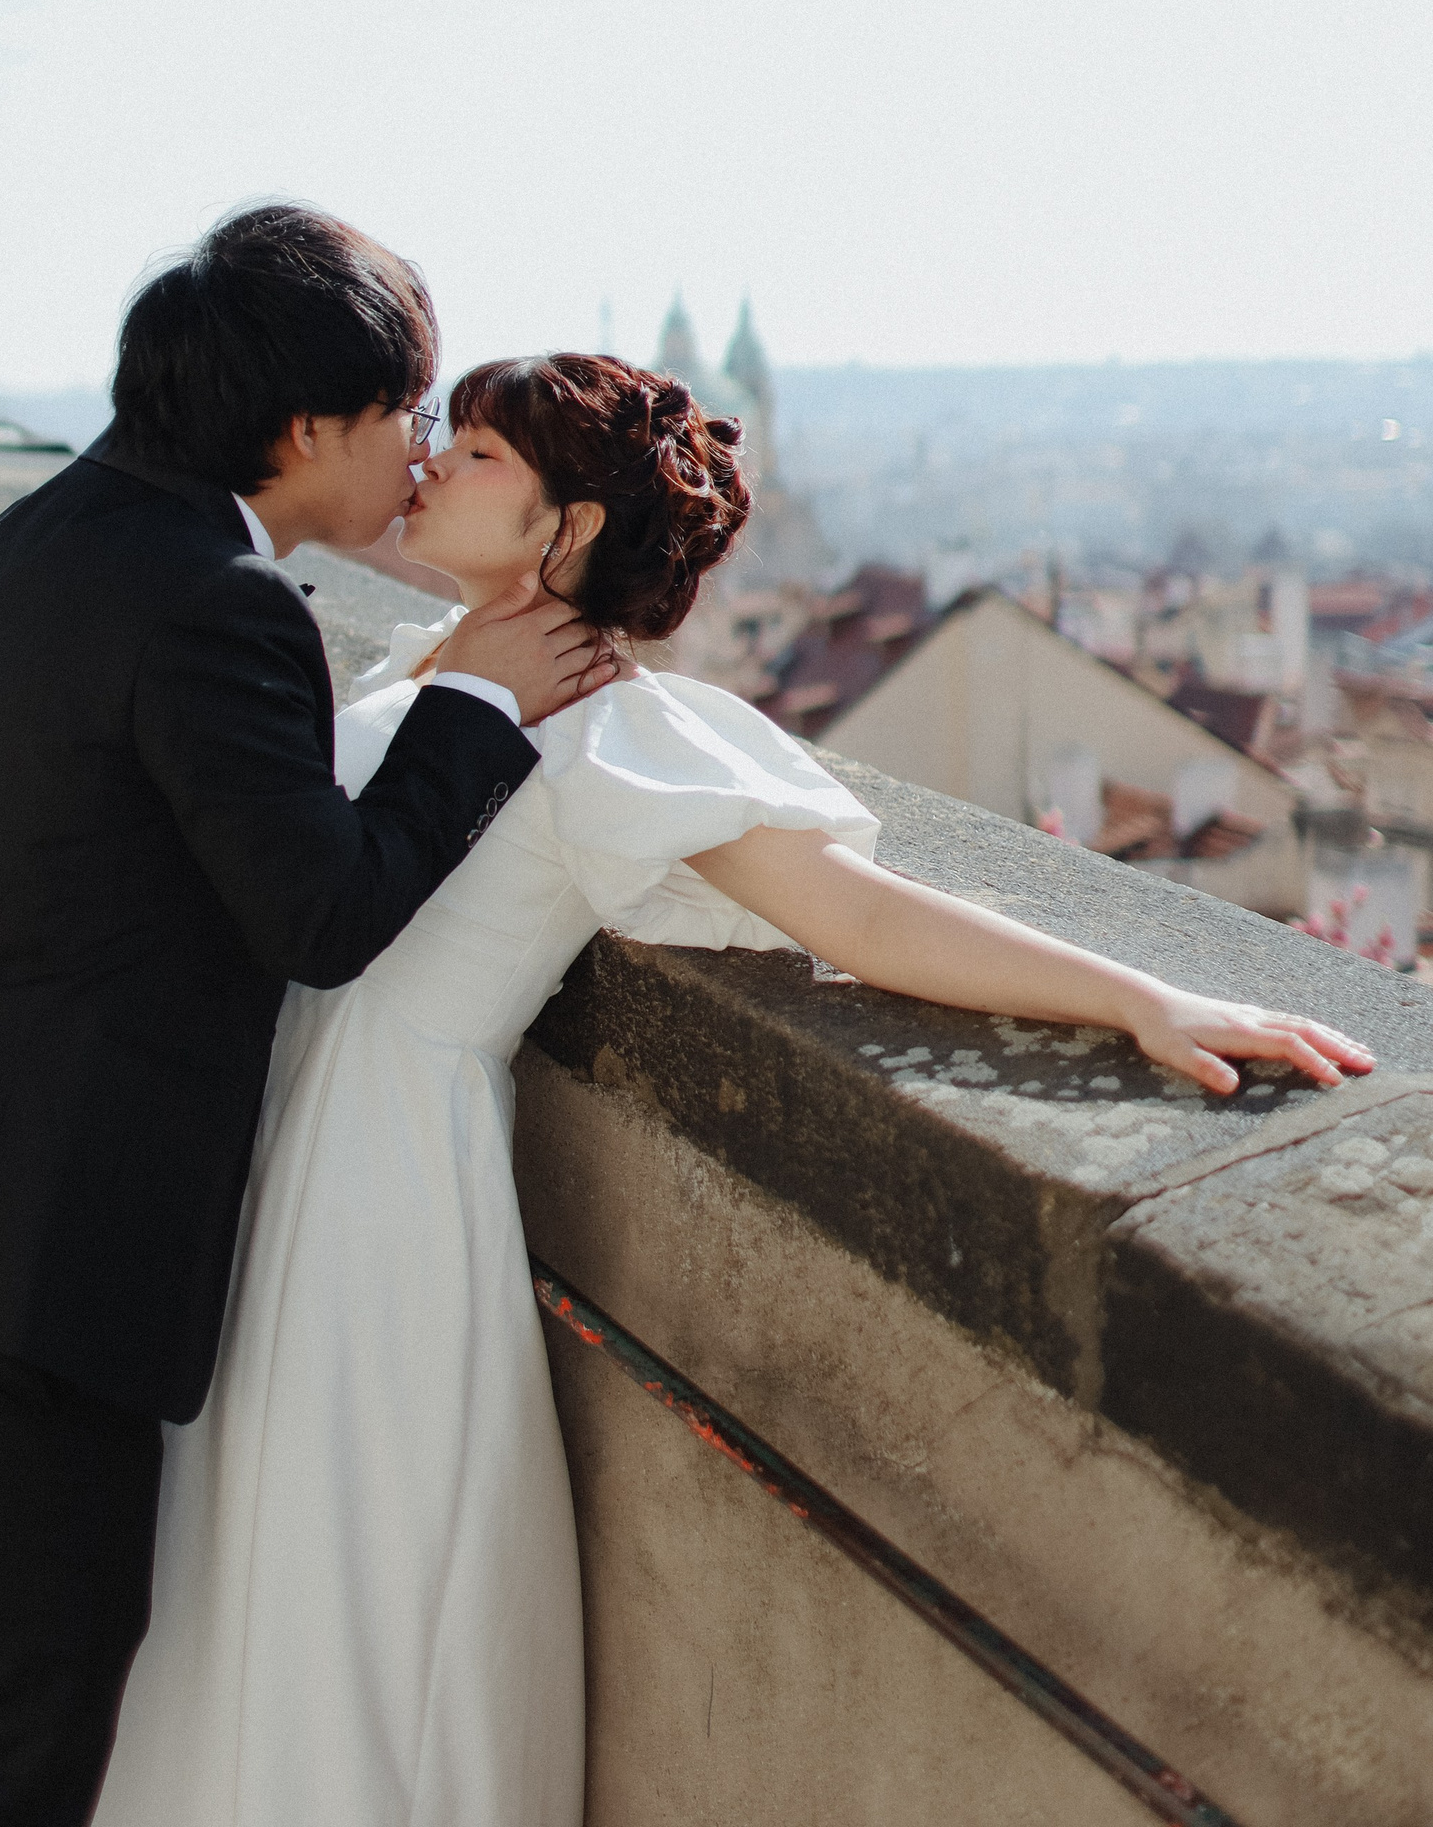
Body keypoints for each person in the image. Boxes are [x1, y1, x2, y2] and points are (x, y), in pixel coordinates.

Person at [95, 351, 1373, 1827]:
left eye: (484, 453)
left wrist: (1145, 997)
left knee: (347, 1567)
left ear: (571, 527)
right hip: (272, 1138)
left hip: (380, 1175)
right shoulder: (436, 663)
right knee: (237, 1553)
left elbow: (858, 917)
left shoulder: (612, 726)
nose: (434, 458)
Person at [0, 210, 618, 1827]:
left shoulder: (52, 527)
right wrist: (476, 700)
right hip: (36, 1263)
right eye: (405, 411)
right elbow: (323, 915)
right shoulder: (216, 604)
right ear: (304, 429)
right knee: (9, 1736)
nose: (421, 449)